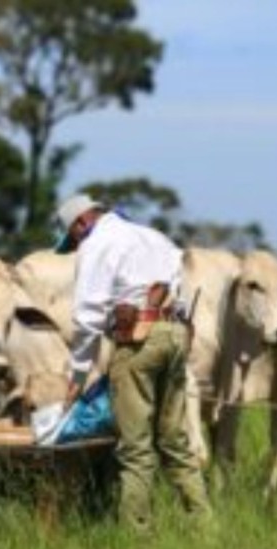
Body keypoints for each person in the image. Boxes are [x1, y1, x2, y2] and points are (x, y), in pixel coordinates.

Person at [55, 193, 211, 531]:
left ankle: (136, 537)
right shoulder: (153, 236)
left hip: (137, 340)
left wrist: (77, 377)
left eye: (75, 236)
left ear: (82, 222)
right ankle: (204, 526)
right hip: (174, 334)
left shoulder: (97, 244)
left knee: (135, 448)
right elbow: (177, 292)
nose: (77, 243)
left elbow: (87, 318)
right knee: (174, 440)